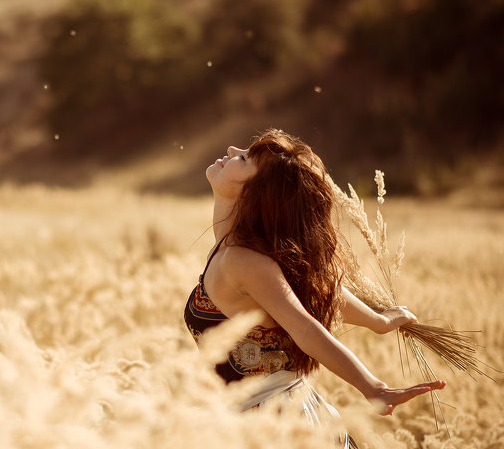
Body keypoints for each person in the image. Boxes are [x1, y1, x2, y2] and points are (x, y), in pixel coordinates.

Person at [184, 129, 443, 431]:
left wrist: (373, 388)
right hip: (252, 418)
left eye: (243, 158)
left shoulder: (243, 261)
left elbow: (305, 327)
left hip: (272, 429)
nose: (230, 148)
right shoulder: (236, 241)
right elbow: (309, 287)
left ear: (256, 195)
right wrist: (376, 321)